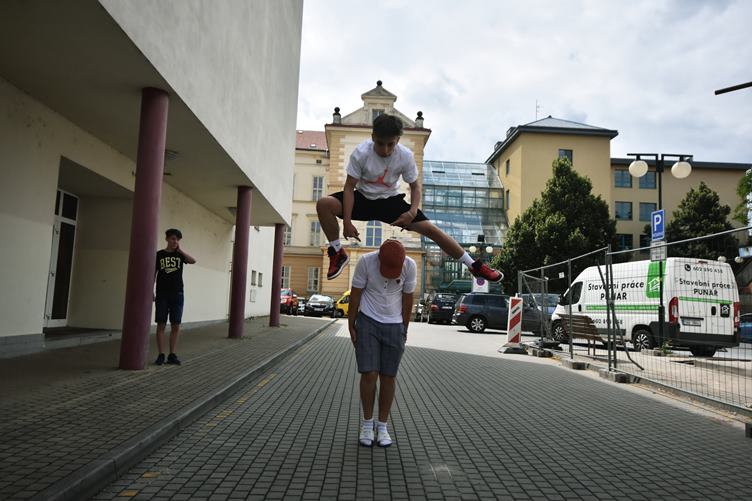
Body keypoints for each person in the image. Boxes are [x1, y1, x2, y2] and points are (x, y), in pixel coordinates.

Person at [316, 113, 503, 283]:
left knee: (432, 230)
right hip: (362, 199)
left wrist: (412, 212)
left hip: (390, 202)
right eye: (380, 144)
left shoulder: (405, 156)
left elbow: (415, 187)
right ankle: (337, 252)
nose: (385, 150)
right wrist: (347, 221)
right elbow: (349, 187)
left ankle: (474, 266)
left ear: (398, 140)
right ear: (373, 137)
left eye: (391, 144)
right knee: (324, 204)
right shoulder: (361, 153)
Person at [349, 238, 415, 447]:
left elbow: (408, 298)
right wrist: (351, 324)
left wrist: (404, 328)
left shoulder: (410, 266)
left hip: (394, 325)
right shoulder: (365, 262)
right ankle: (367, 424)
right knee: (369, 373)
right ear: (379, 259)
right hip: (368, 321)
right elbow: (355, 294)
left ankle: (383, 426)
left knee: (388, 376)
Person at [153, 228, 196, 366]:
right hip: (162, 294)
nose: (175, 241)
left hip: (177, 293)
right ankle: (161, 354)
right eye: (172, 238)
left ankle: (172, 355)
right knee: (161, 324)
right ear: (166, 239)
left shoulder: (179, 255)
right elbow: (153, 274)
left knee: (176, 325)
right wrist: (151, 291)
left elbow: (193, 261)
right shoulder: (159, 255)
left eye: (177, 239)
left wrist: (180, 251)